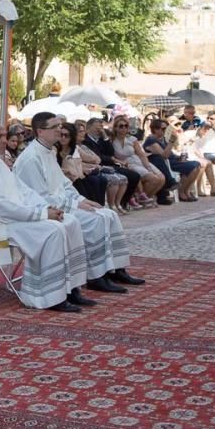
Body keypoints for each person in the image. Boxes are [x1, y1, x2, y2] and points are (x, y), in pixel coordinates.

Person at [0, 121, 91, 312]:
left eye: (5, 136)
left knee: (69, 221)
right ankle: (47, 296)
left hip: (13, 217)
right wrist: (42, 214)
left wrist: (47, 207)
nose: (4, 141)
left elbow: (24, 192)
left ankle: (69, 288)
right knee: (52, 230)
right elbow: (0, 207)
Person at [14, 113, 143, 294]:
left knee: (109, 214)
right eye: (55, 127)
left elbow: (64, 184)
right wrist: (75, 205)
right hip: (48, 210)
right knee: (95, 220)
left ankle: (115, 269)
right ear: (40, 131)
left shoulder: (49, 151)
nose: (60, 129)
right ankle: (95, 276)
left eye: (60, 125)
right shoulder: (30, 158)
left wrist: (82, 200)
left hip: (63, 202)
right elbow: (40, 197)